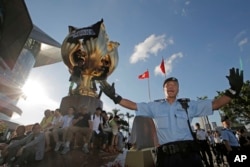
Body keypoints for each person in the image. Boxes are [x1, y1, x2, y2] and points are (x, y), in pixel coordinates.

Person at [100, 67, 243, 167]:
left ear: (178, 89)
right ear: (163, 90)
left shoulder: (189, 105)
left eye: (174, 84)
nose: (171, 86)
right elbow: (134, 105)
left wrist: (233, 90)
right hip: (167, 158)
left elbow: (216, 104)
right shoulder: (154, 107)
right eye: (167, 84)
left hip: (190, 157)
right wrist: (115, 97)